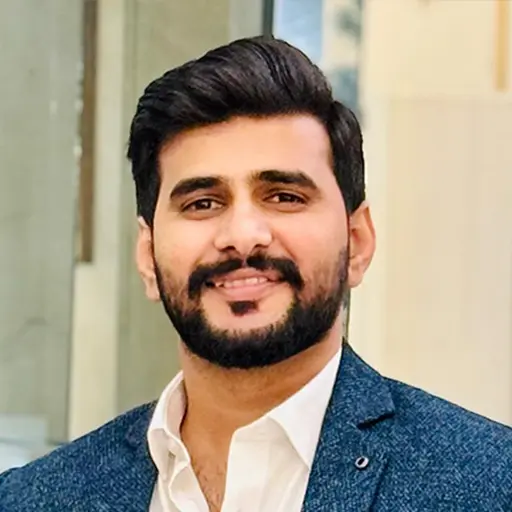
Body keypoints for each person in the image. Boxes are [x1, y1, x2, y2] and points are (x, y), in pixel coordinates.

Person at [1, 36, 511, 512]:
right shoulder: (32, 499)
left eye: (284, 197)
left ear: (357, 242)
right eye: (203, 203)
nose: (243, 236)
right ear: (147, 255)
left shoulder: (489, 485)